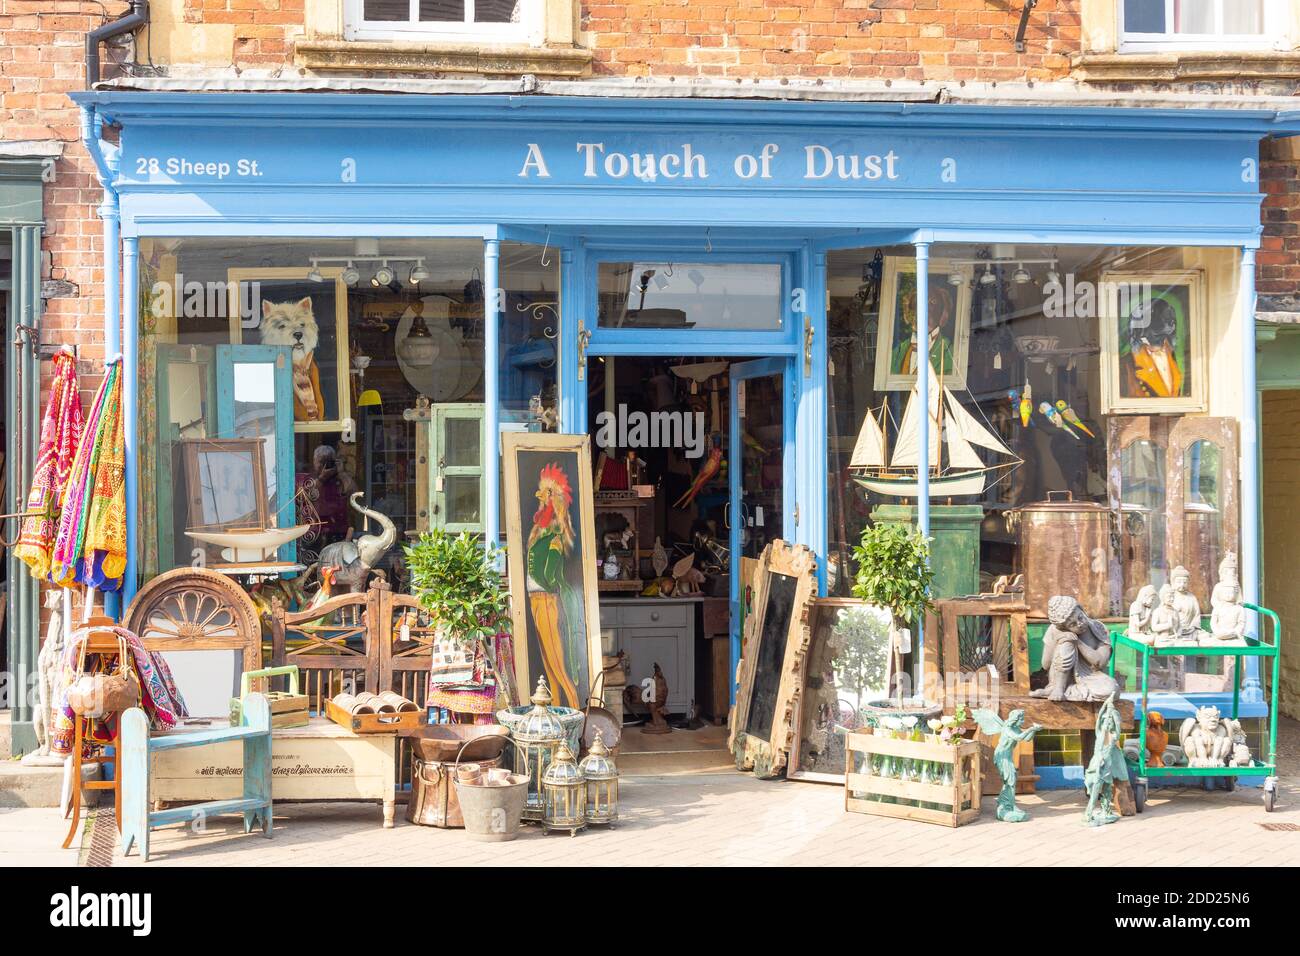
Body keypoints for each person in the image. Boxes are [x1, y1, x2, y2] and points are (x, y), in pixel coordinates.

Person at [1030, 595, 1120, 702]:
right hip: (1059, 678)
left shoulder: (1098, 627)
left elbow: (1100, 662)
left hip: (1090, 677)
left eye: (1080, 617)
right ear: (1064, 626)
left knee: (1112, 690)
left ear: (1082, 610)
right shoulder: (1055, 630)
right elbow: (1046, 665)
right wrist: (1059, 639)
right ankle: (1059, 688)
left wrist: (1078, 642)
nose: (1080, 624)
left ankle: (1069, 692)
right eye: (1072, 624)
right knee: (1066, 642)